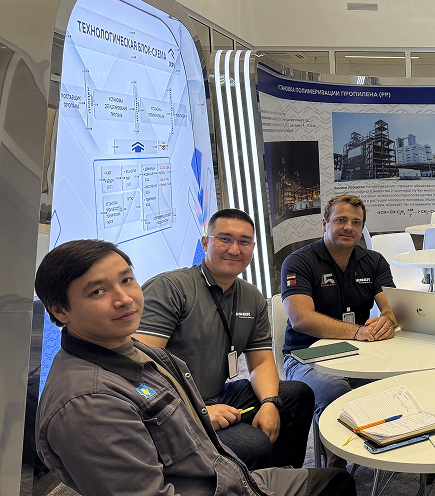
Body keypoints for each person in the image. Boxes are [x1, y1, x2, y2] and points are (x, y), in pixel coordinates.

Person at [34, 239, 356, 496]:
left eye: (126, 280)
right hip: (214, 480)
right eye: (98, 291)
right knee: (315, 475)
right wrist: (203, 414)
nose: (124, 299)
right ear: (60, 310)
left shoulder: (137, 352)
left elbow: (259, 360)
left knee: (323, 457)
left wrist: (265, 404)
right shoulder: (88, 404)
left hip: (221, 469)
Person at [135, 209, 313, 470]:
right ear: (206, 243)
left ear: (252, 248)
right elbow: (140, 370)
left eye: (244, 242)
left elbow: (261, 362)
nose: (234, 249)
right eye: (225, 239)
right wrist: (195, 411)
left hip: (216, 396)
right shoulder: (169, 288)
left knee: (296, 395)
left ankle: (282, 479)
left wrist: (269, 403)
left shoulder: (252, 297)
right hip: (170, 409)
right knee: (253, 444)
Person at [280, 195, 398, 420]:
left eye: (356, 222)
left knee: (395, 385)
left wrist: (388, 320)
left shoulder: (375, 262)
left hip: (359, 350)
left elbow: (392, 309)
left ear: (362, 229)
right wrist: (357, 331)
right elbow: (301, 319)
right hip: (307, 354)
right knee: (336, 392)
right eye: (340, 220)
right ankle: (337, 445)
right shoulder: (298, 262)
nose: (348, 227)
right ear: (325, 224)